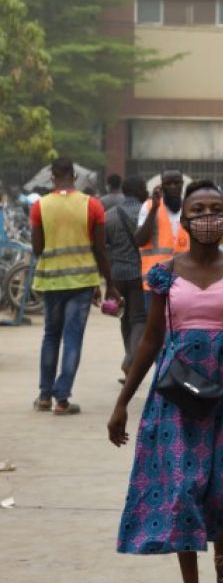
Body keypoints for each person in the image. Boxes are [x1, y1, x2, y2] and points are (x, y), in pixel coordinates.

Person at [108, 180, 223, 583]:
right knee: (181, 491)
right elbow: (150, 339)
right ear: (185, 219)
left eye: (216, 208)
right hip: (175, 397)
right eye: (198, 209)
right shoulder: (165, 274)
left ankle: (222, 537)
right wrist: (123, 402)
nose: (207, 216)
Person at [30, 157, 120, 414]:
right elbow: (101, 250)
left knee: (51, 335)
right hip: (82, 282)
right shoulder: (92, 205)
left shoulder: (39, 206)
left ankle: (44, 396)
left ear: (52, 177)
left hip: (51, 280)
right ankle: (62, 399)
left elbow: (37, 248)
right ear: (75, 176)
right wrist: (110, 284)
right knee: (72, 338)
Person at [104, 175, 149, 379]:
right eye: (144, 188)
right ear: (138, 190)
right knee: (139, 318)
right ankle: (130, 360)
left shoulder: (110, 215)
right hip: (139, 273)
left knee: (124, 319)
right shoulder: (146, 213)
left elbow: (103, 246)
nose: (146, 191)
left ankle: (130, 360)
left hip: (117, 274)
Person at [135, 169, 190, 294]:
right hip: (155, 282)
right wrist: (154, 209)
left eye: (176, 183)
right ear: (161, 185)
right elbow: (139, 240)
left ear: (182, 184)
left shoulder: (190, 208)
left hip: (184, 281)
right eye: (168, 183)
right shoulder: (149, 206)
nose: (173, 187)